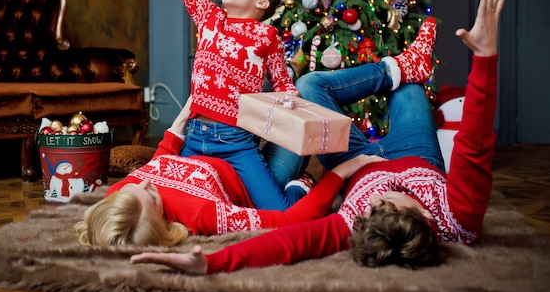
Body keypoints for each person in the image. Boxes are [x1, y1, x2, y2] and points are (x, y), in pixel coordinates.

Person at [128, 0, 505, 272]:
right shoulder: (458, 215)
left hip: (358, 159)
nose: (375, 197)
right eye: (383, 203)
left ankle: (397, 68)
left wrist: (213, 262)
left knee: (308, 87)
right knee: (409, 89)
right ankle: (403, 71)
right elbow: (475, 146)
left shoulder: (358, 223)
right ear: (423, 216)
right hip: (417, 153)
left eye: (369, 208)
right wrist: (485, 58)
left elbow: (287, 241)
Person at [136, 0, 307, 211]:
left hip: (237, 142)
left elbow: (283, 84)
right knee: (168, 202)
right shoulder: (211, 18)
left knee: (278, 211)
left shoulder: (267, 36)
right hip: (196, 137)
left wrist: (293, 107)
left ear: (263, 4)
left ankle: (301, 185)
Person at [74, 96, 385, 247]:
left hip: (206, 150)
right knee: (306, 122)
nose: (145, 183)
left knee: (287, 105)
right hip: (253, 179)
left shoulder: (120, 196)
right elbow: (291, 222)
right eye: (152, 196)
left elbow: (160, 161)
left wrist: (184, 114)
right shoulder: (202, 216)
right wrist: (345, 169)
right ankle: (298, 186)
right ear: (163, 223)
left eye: (134, 186)